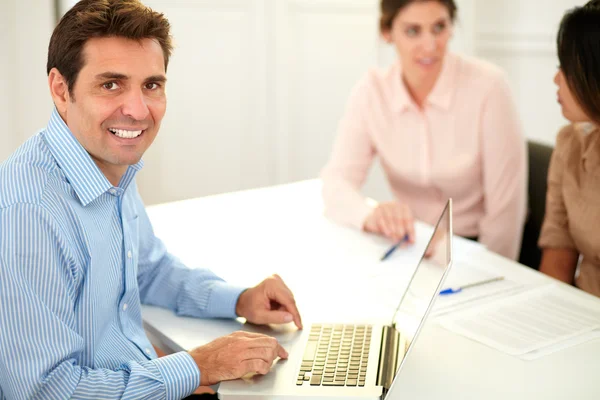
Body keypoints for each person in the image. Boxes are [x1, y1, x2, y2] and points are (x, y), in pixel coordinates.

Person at [0, 1, 302, 399]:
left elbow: (149, 270)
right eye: (111, 85)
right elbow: (45, 391)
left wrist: (240, 299)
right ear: (61, 90)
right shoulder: (30, 212)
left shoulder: (110, 164)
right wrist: (197, 367)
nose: (138, 111)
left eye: (151, 85)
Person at [320, 0, 527, 260]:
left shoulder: (490, 88)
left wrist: (487, 270)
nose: (430, 45)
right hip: (410, 246)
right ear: (387, 32)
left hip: (475, 251)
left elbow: (505, 214)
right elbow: (335, 183)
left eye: (439, 27)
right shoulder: (371, 92)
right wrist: (370, 215)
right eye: (413, 31)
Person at [538, 0, 600, 298]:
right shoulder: (570, 143)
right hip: (581, 314)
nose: (555, 78)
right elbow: (558, 255)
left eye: (566, 68)